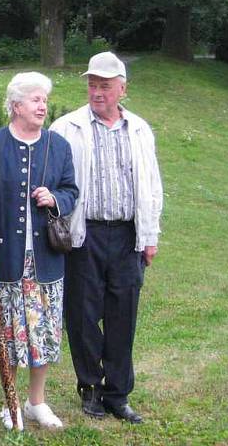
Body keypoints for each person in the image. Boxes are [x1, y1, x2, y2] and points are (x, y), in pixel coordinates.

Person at [51, 51, 163, 425]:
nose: (97, 92)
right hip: (85, 233)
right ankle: (91, 387)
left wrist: (150, 236)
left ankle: (118, 393)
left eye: (105, 86)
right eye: (92, 85)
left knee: (122, 315)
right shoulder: (66, 127)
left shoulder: (140, 129)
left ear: (122, 89)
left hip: (128, 233)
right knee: (82, 315)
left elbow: (152, 187)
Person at [0, 72, 78, 430]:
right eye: (35, 99)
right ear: (16, 105)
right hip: (5, 257)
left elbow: (71, 191)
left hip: (46, 258)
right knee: (9, 331)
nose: (42, 106)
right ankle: (10, 401)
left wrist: (56, 199)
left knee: (42, 331)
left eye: (44, 100)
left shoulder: (58, 145)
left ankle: (37, 401)